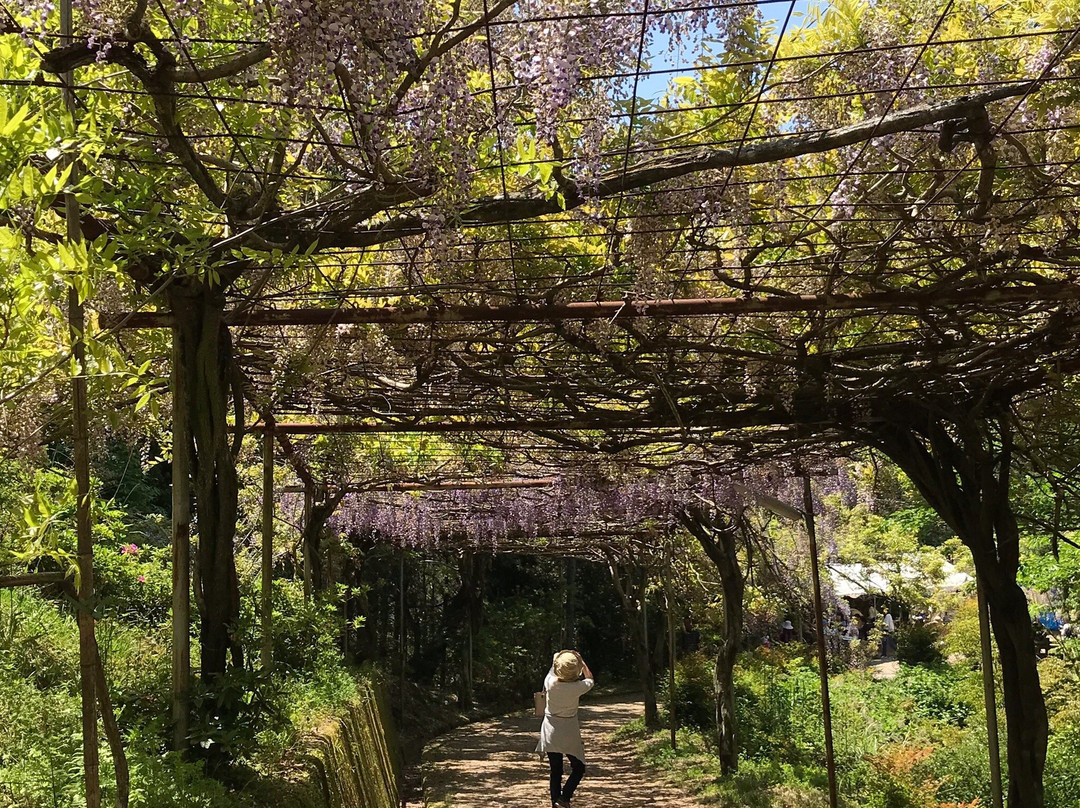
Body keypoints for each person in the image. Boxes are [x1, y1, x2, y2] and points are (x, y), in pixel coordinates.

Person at [536, 650, 594, 808]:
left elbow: (553, 668)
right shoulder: (579, 687)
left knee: (555, 769)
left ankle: (555, 802)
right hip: (569, 730)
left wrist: (559, 656)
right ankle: (564, 798)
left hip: (550, 730)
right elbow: (590, 678)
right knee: (579, 767)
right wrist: (581, 661)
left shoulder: (550, 682)